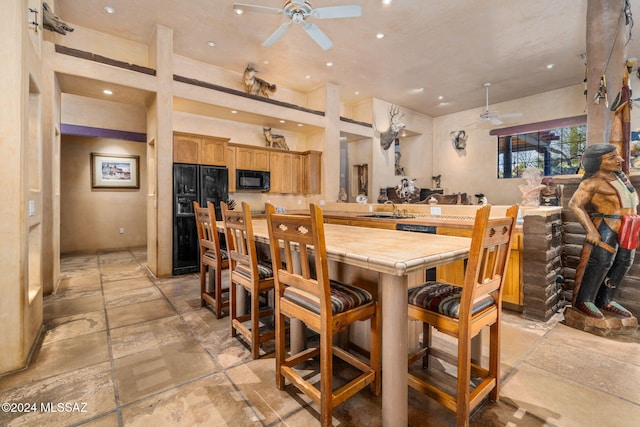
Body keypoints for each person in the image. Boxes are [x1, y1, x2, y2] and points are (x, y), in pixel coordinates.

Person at [569, 143, 638, 319]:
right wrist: (591, 230)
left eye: (617, 156)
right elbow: (575, 204)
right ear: (597, 162)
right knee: (600, 263)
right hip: (607, 226)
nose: (619, 160)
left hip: (629, 227)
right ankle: (585, 300)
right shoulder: (592, 182)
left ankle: (606, 299)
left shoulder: (622, 179)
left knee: (624, 263)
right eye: (612, 157)